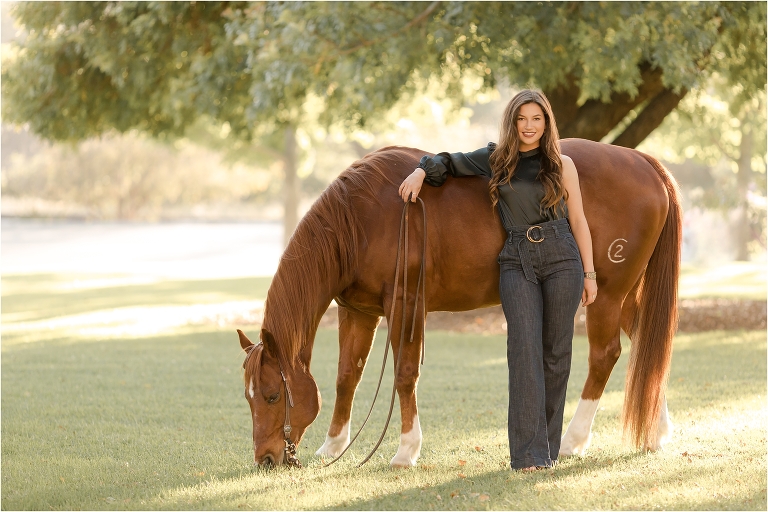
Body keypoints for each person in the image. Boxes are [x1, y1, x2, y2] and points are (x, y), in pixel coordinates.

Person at [398, 89, 597, 471]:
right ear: (512, 122)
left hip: (562, 258)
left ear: (547, 122)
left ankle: (546, 451)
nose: (529, 126)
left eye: (536, 119)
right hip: (516, 258)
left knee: (556, 355)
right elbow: (449, 162)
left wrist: (589, 273)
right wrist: (421, 171)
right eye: (522, 119)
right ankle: (527, 457)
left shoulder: (562, 163)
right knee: (523, 354)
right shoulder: (496, 159)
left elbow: (579, 221)